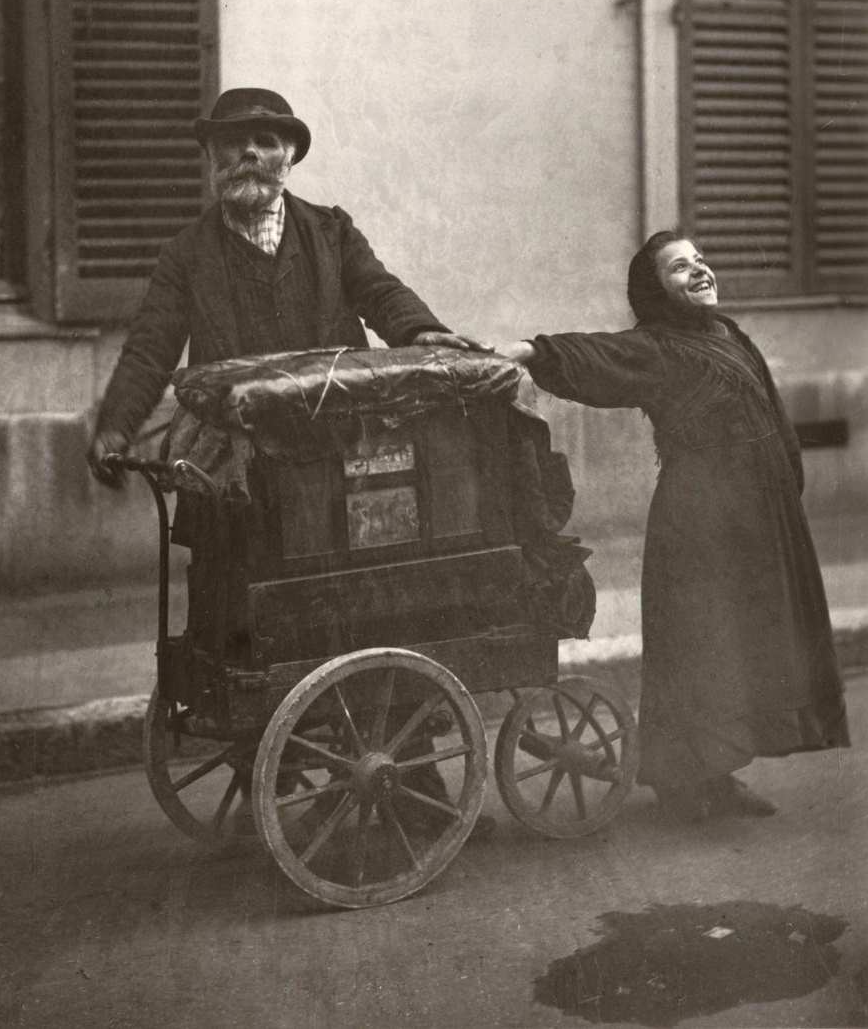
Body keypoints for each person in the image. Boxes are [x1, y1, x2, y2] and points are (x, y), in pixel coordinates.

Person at [87, 85, 490, 835]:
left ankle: (414, 770)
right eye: (234, 141)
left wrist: (423, 331)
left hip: (340, 463)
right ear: (210, 158)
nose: (249, 153)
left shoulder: (330, 233)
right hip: (236, 472)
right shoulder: (186, 254)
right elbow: (150, 346)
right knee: (242, 612)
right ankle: (286, 753)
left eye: (266, 141)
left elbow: (380, 292)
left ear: (288, 157)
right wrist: (116, 426)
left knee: (374, 602)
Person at [499, 230, 849, 823]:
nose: (700, 271)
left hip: (758, 520)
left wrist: (786, 485)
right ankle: (683, 784)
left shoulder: (730, 336)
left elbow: (772, 413)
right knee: (701, 645)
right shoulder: (657, 348)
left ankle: (722, 774)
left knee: (741, 645)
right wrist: (530, 351)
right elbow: (597, 355)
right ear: (655, 291)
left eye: (700, 261)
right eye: (679, 268)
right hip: (700, 523)